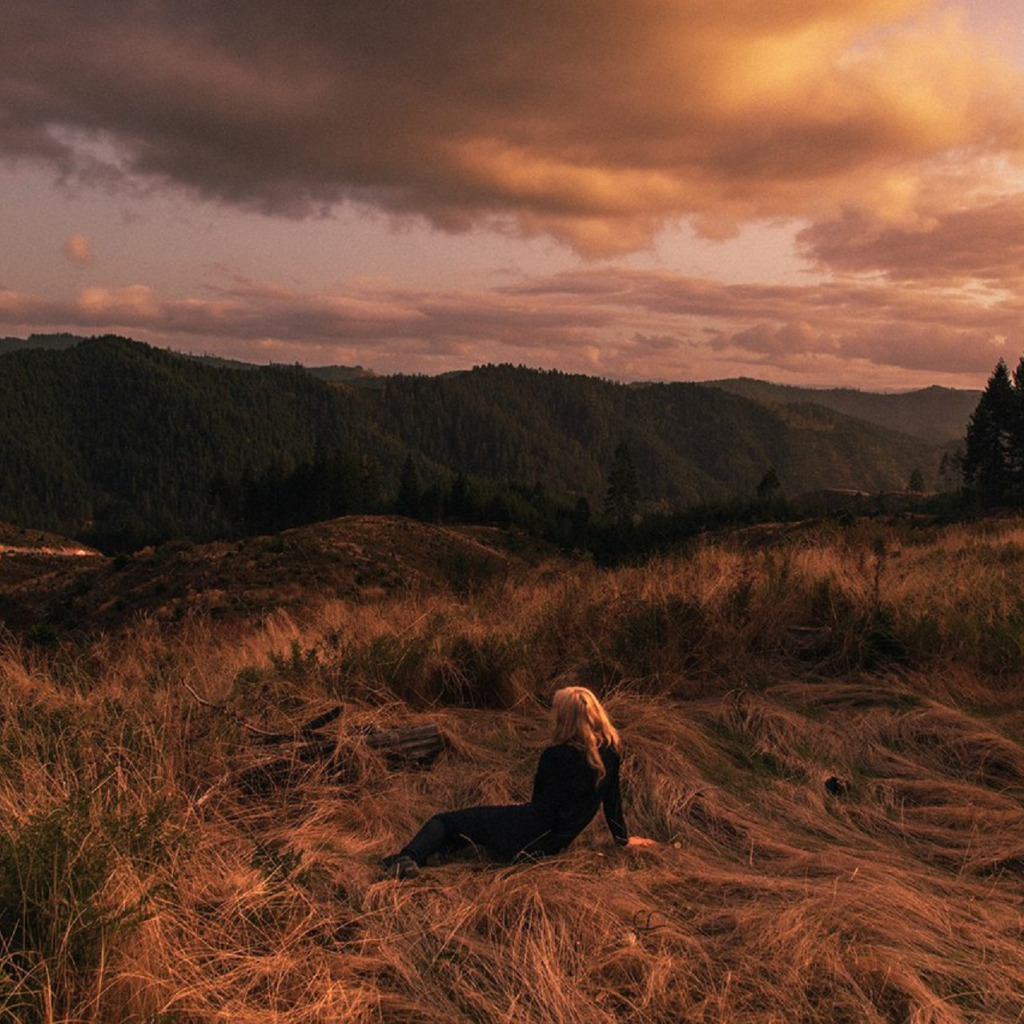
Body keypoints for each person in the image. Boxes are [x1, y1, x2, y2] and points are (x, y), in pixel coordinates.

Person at [381, 685, 656, 879]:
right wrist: (623, 840)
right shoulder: (609, 753)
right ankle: (437, 854)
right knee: (472, 827)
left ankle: (406, 858)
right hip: (554, 844)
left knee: (446, 820)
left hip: (528, 833)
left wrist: (507, 824)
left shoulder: (556, 754)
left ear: (565, 718)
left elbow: (539, 805)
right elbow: (613, 801)